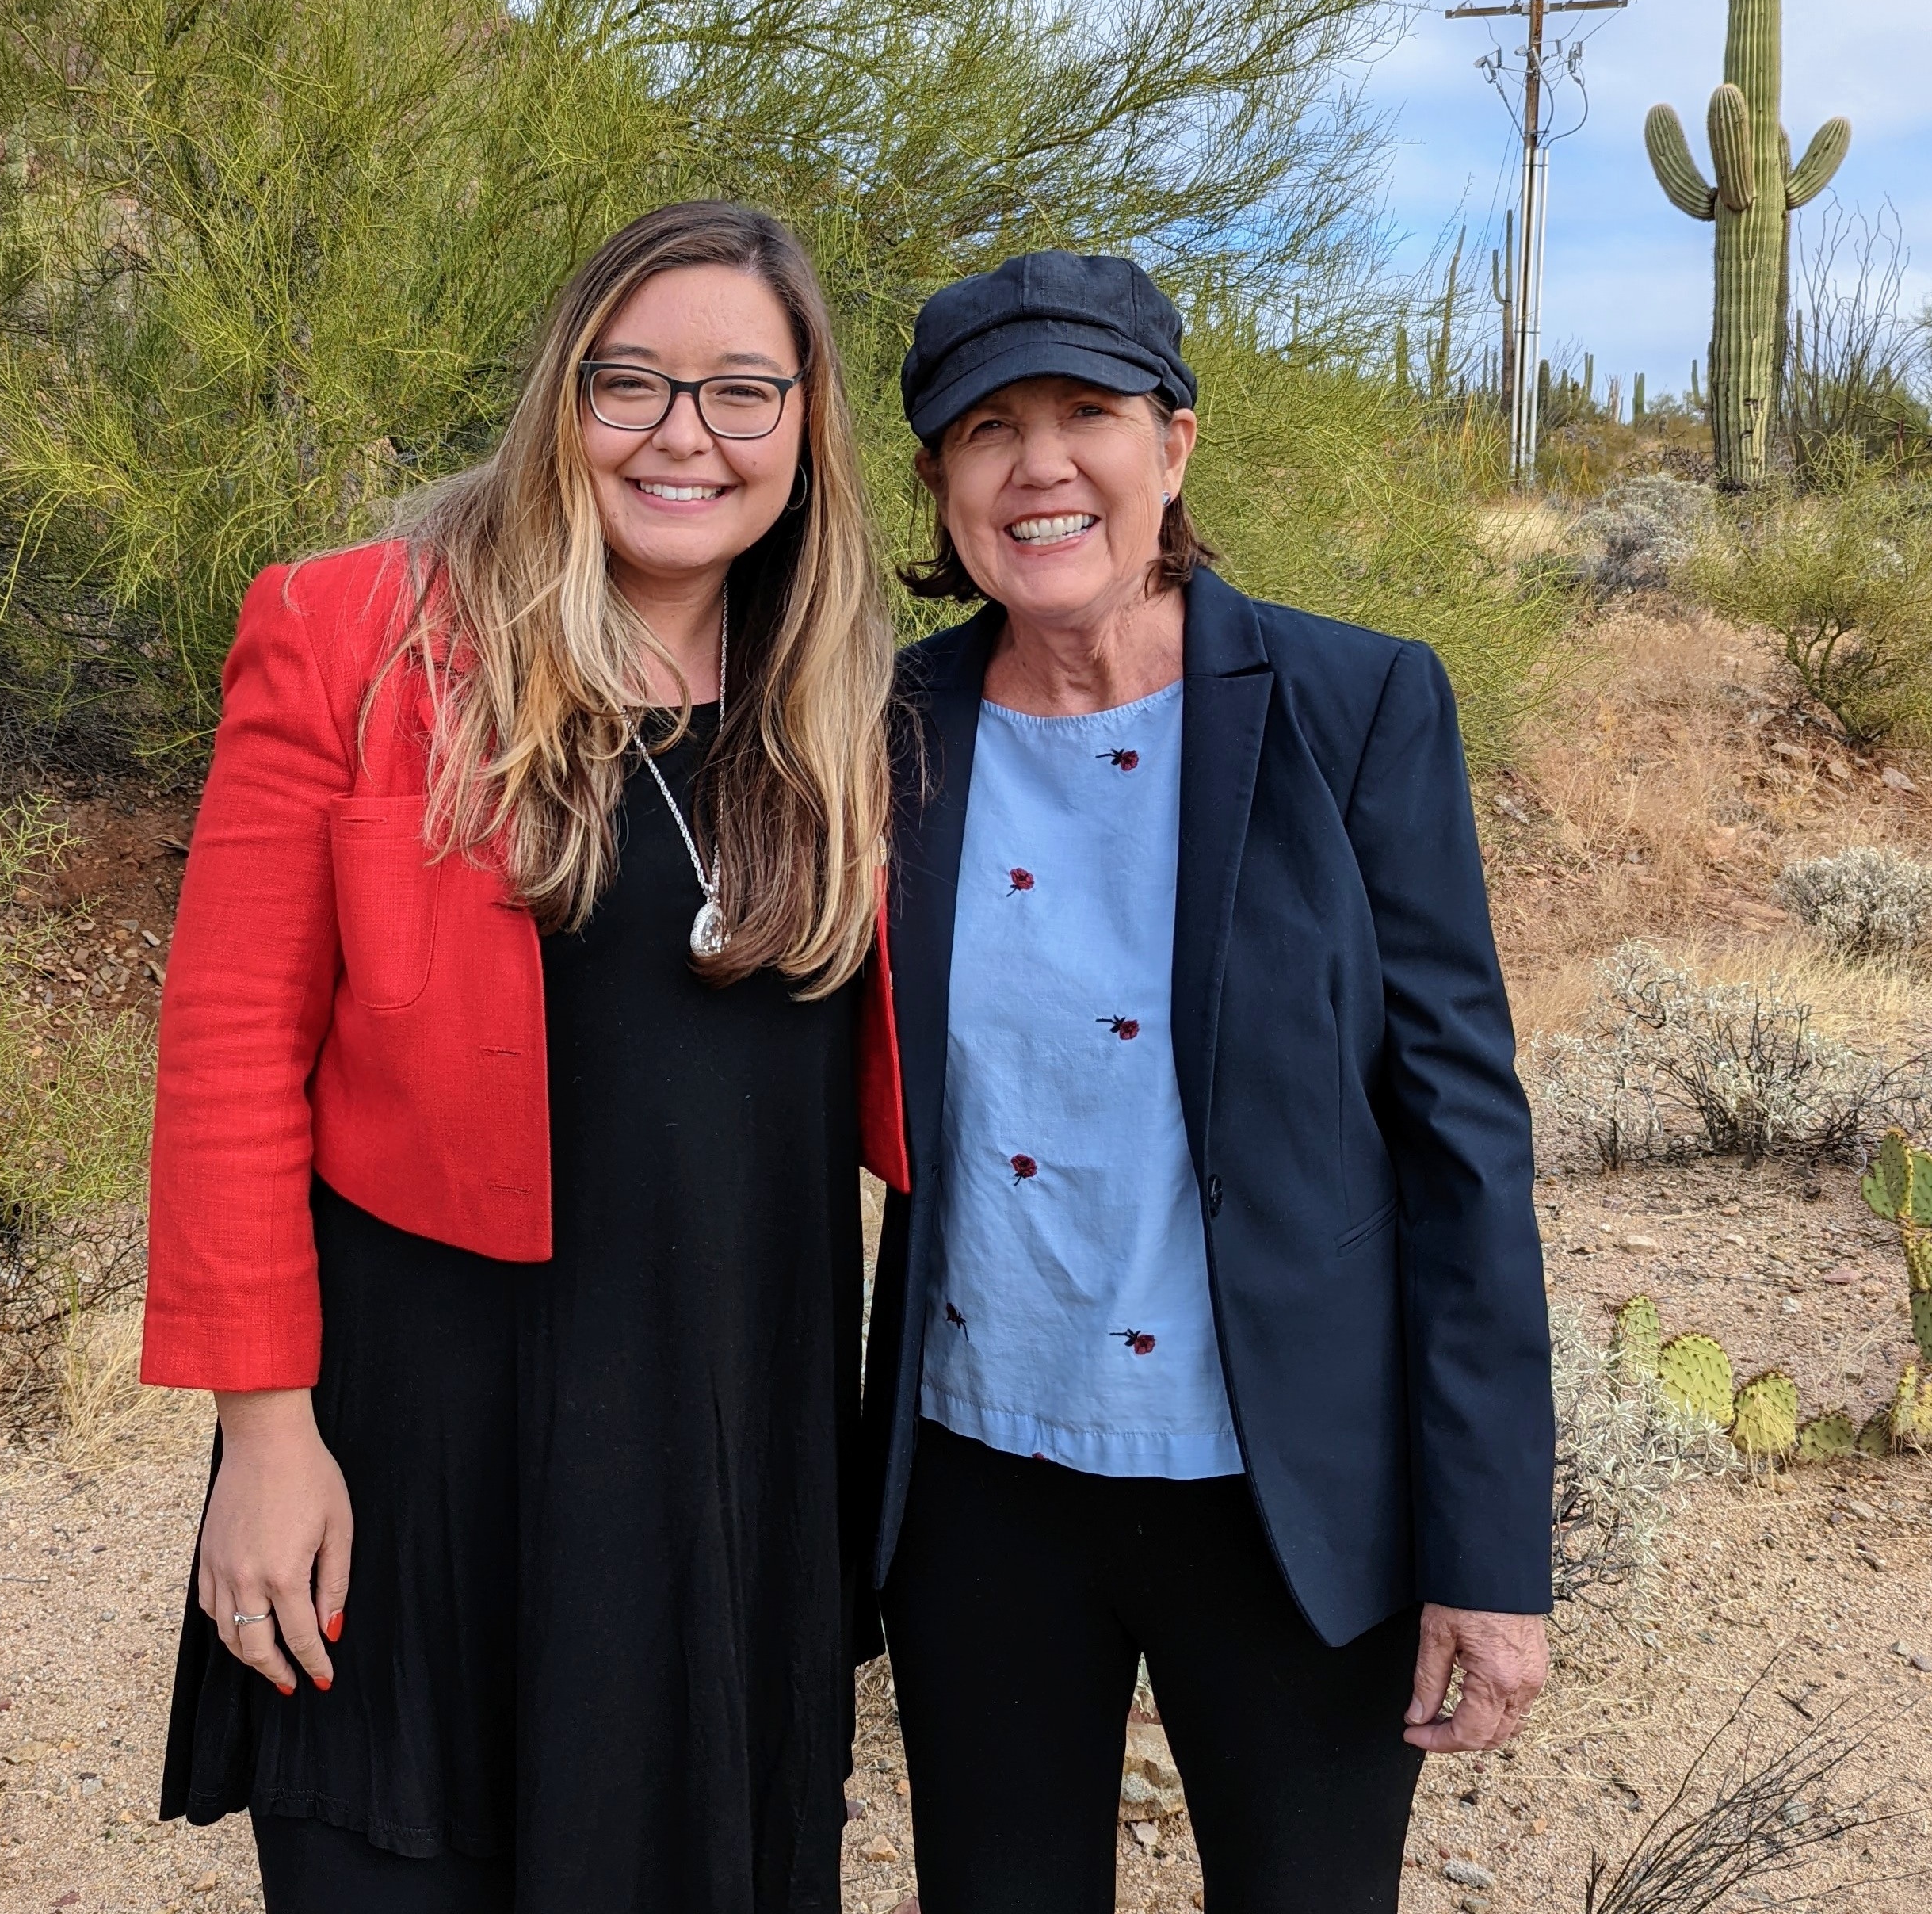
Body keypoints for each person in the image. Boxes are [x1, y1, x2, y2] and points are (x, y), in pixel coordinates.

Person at [143, 201, 909, 1914]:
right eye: (629, 383)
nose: (683, 437)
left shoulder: (855, 693)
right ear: (562, 397)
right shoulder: (355, 636)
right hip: (427, 1421)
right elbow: (228, 1058)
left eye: (741, 392)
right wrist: (267, 1436)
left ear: (806, 422)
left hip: (735, 1419)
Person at [861, 250, 1554, 1914]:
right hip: (980, 1483)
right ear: (941, 482)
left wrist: (1487, 1554)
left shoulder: (1353, 704)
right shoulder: (885, 729)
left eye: (1086, 413)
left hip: (1288, 1490)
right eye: (987, 428)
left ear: (1173, 448)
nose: (1040, 465)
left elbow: (1461, 1136)